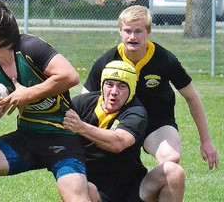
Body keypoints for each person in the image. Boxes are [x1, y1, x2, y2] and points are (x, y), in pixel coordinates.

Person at [0, 0, 95, 202]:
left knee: (76, 197)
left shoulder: (30, 48)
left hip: (62, 138)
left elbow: (70, 76)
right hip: (27, 137)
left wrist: (28, 94)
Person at [82, 5, 219, 169]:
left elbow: (192, 97)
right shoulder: (108, 61)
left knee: (171, 158)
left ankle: (155, 192)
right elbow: (85, 100)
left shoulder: (165, 59)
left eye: (138, 31)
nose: (132, 37)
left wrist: (206, 141)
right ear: (120, 32)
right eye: (127, 31)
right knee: (108, 168)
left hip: (156, 122)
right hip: (120, 125)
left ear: (148, 32)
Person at [63, 60, 185, 202]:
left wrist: (81, 127)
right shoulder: (82, 104)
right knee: (81, 186)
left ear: (131, 90)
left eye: (121, 86)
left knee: (174, 172)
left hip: (134, 192)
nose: (114, 92)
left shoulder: (136, 112)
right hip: (96, 192)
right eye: (109, 84)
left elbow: (118, 143)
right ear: (102, 86)